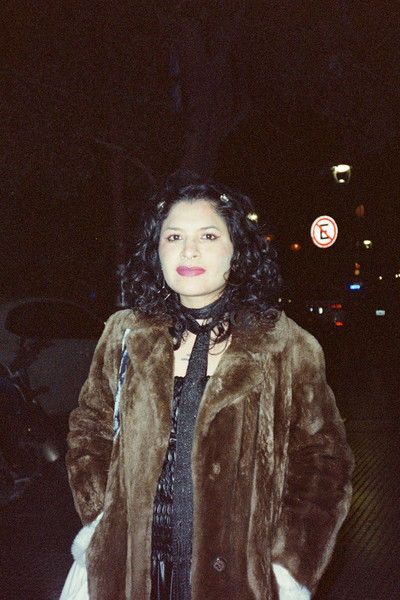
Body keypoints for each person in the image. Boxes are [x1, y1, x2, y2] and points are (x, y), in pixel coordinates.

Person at [63, 174, 354, 600]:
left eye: (209, 235)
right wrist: (102, 520)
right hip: (131, 572)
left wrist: (285, 566)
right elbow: (90, 429)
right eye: (174, 236)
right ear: (156, 250)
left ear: (237, 250)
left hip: (237, 576)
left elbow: (322, 466)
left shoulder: (287, 345)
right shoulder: (125, 334)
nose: (189, 250)